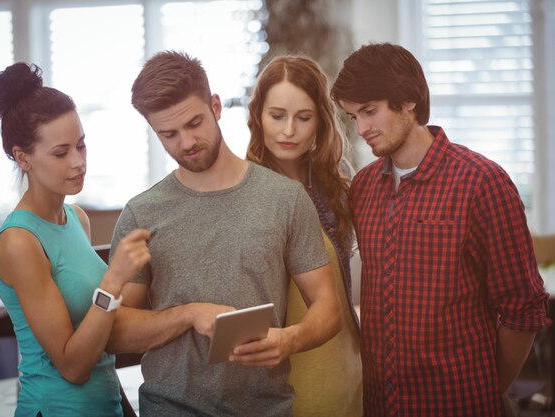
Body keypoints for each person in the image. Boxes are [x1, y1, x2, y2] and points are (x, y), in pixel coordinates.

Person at [106, 50, 342, 417]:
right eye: (168, 134)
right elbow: (113, 332)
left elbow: (328, 308)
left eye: (194, 123)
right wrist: (188, 315)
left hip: (266, 410)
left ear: (215, 106)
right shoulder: (142, 213)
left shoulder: (285, 199)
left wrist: (288, 340)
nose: (186, 142)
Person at [330, 42, 551, 417]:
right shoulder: (364, 188)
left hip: (460, 404)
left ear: (408, 101)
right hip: (380, 406)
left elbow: (523, 311)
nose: (362, 129)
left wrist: (485, 392)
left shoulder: (481, 183)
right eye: (353, 117)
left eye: (370, 112)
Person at [0, 62, 151, 417]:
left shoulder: (77, 219)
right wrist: (113, 279)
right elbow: (73, 365)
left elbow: (98, 344)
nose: (78, 162)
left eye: (81, 145)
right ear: (22, 157)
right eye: (61, 153)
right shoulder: (19, 241)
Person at [246, 55, 362, 416]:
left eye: (304, 117)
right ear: (257, 116)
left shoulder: (337, 179)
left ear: (321, 121)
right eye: (277, 116)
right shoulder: (243, 189)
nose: (289, 131)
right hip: (284, 380)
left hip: (351, 367)